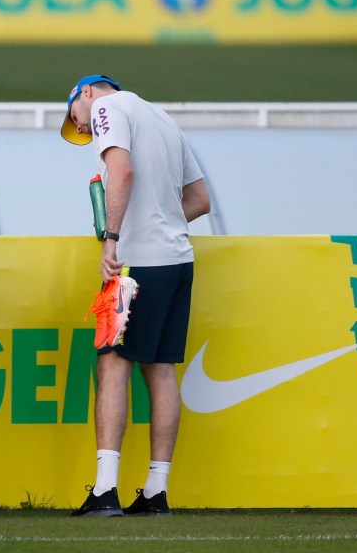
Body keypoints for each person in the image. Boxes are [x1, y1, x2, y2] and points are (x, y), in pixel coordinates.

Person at [60, 74, 211, 517]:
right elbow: (200, 200)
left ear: (86, 93)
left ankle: (106, 490)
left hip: (135, 265)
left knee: (112, 364)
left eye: (75, 118)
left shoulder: (109, 108)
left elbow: (121, 171)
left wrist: (113, 237)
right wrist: (160, 219)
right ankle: (155, 492)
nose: (83, 129)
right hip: (177, 259)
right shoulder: (164, 118)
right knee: (161, 371)